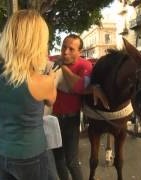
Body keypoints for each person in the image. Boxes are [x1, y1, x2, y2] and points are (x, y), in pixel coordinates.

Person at [0, 10, 57, 180]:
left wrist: (7, 117)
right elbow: (51, 102)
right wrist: (51, 79)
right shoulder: (43, 81)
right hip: (30, 155)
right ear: (37, 42)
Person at [52, 34, 109, 180]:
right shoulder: (51, 60)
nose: (65, 52)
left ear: (80, 51)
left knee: (71, 160)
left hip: (70, 118)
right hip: (51, 119)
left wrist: (63, 67)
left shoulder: (85, 65)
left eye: (71, 49)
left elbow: (79, 87)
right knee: (58, 160)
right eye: (64, 47)